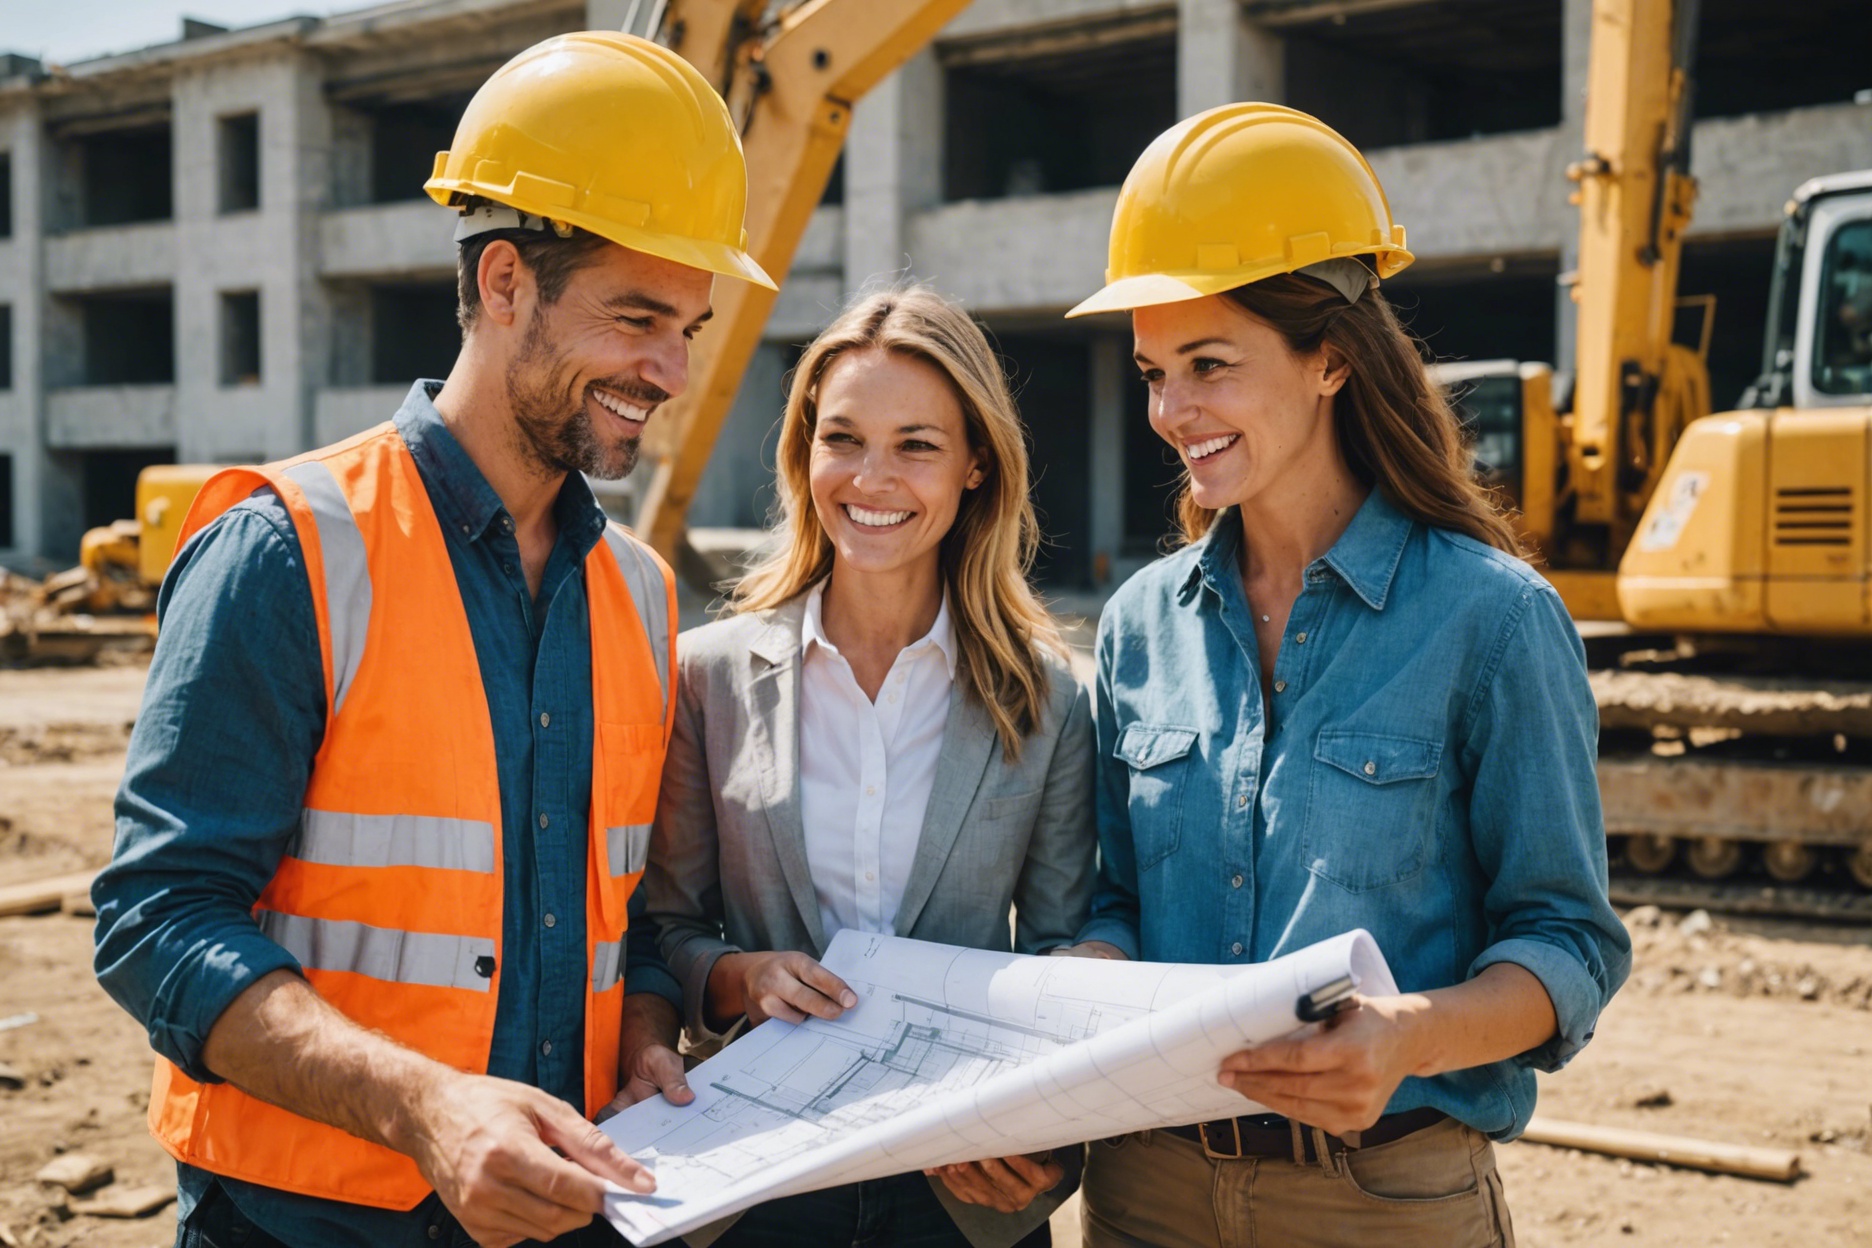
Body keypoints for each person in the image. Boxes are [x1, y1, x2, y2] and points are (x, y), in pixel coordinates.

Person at [91, 33, 776, 1248]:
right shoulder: (288, 549)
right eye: (637, 318)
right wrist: (426, 1109)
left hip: (555, 1218)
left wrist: (652, 1047)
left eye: (690, 326)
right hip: (302, 1223)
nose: (671, 369)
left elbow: (626, 926)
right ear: (505, 282)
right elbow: (157, 922)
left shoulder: (642, 591)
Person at [1054, 103, 1632, 1246]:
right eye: (1155, 372)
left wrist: (1407, 1035)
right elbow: (1118, 900)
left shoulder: (1493, 621)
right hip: (1147, 1197)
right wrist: (1082, 972)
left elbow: (1568, 942)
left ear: (1329, 358)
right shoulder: (1136, 628)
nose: (1173, 413)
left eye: (1210, 365)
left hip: (1384, 1205)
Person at [643, 287, 1097, 1248]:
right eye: (842, 437)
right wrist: (739, 976)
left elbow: (1064, 966)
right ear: (804, 450)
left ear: (977, 466)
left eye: (916, 445)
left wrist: (1044, 1161)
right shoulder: (708, 677)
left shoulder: (1046, 699)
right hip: (759, 1182)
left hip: (957, 1193)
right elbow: (665, 930)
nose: (871, 477)